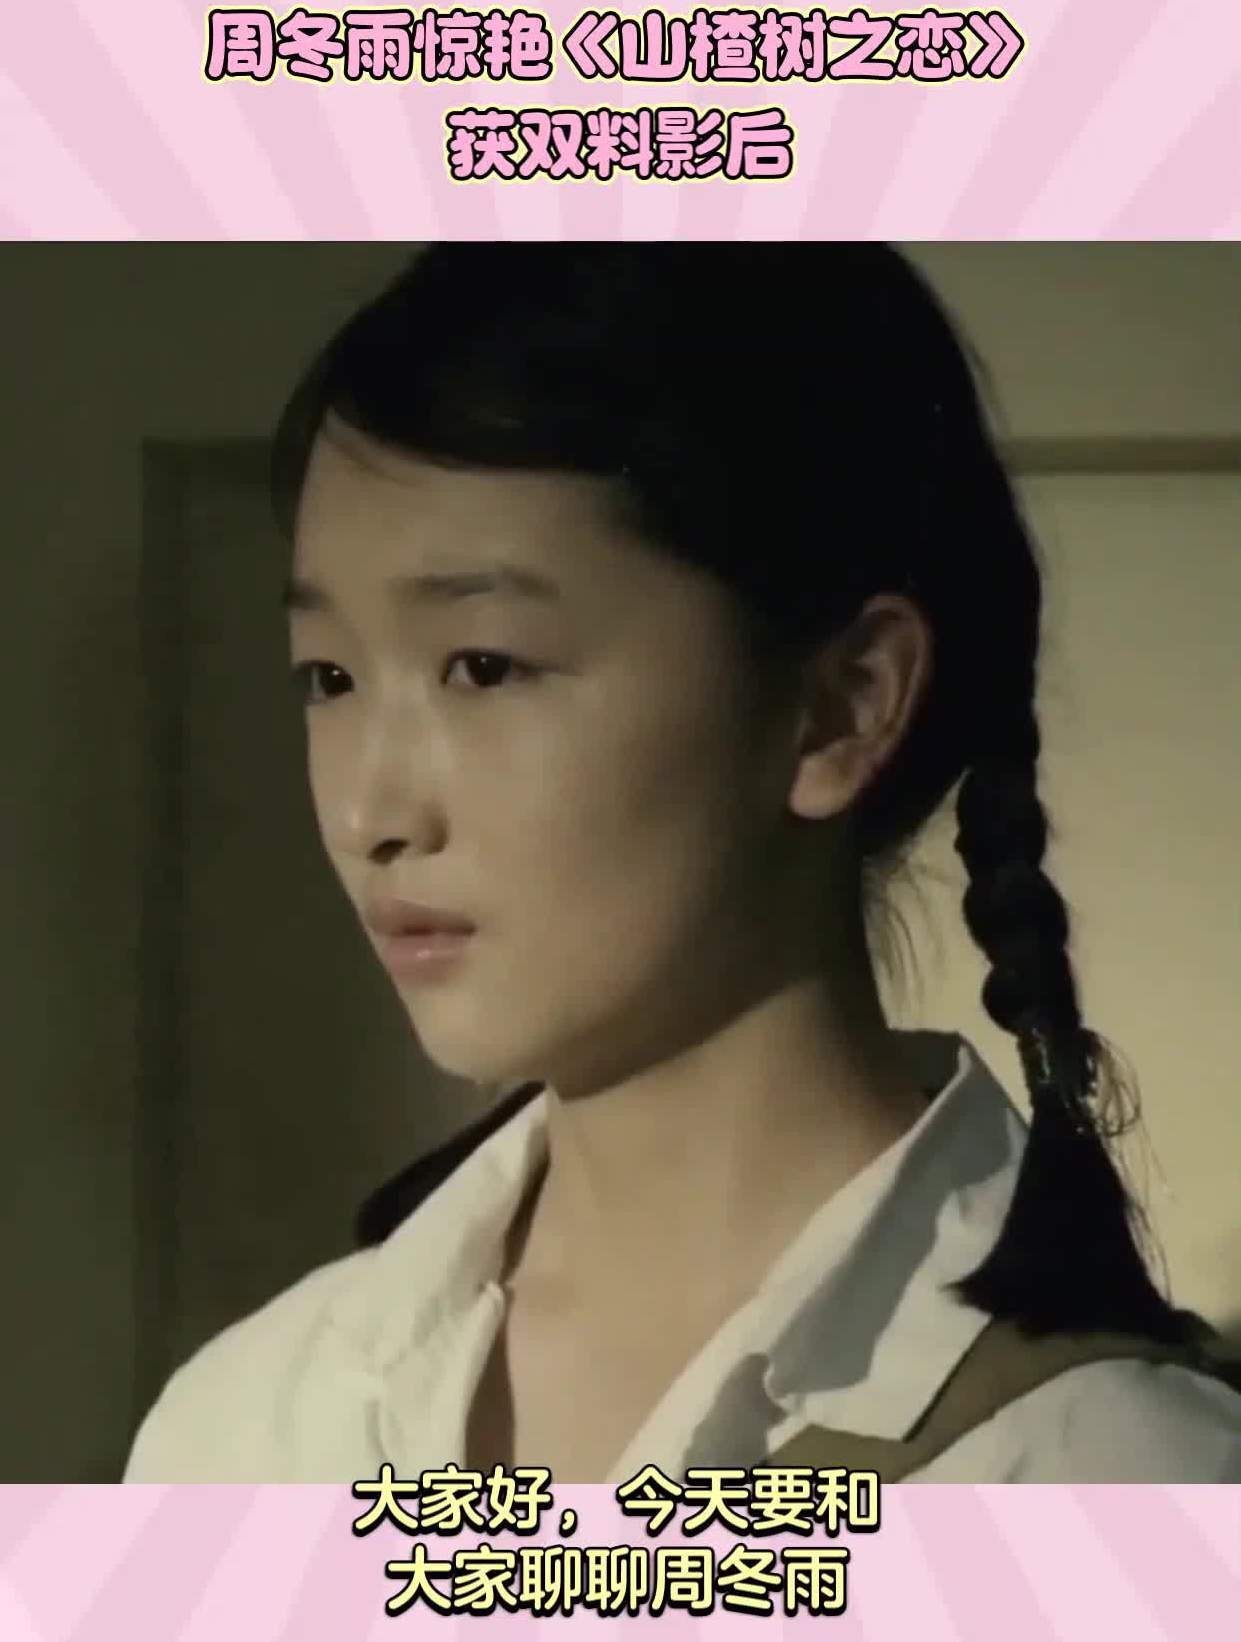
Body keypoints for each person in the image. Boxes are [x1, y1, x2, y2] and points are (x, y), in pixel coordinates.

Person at [124, 243, 1241, 1483]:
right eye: (327, 677)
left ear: (840, 705)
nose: (364, 811)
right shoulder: (245, 1426)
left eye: (483, 665)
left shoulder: (1107, 1468)